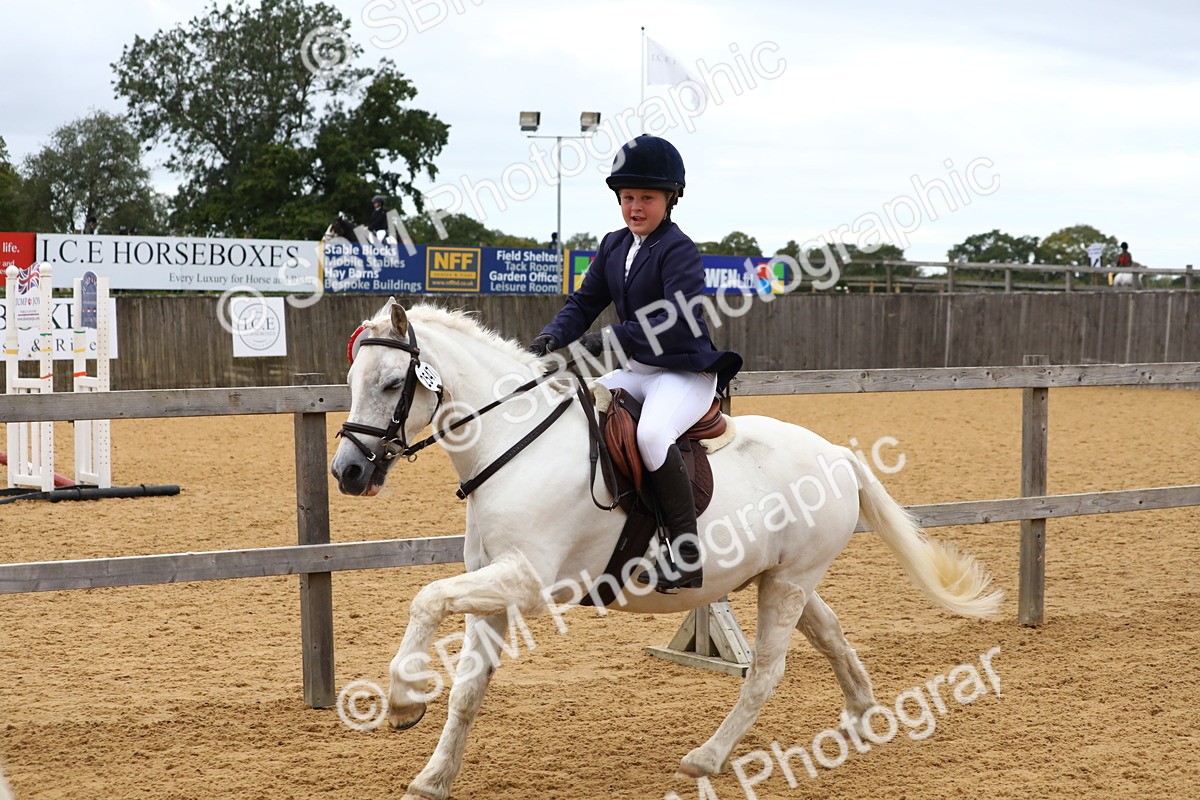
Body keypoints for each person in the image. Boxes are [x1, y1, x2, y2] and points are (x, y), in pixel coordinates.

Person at [528, 134, 742, 593]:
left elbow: (670, 316)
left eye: (647, 197)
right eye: (628, 197)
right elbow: (584, 303)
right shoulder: (612, 246)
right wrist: (549, 337)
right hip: (642, 371)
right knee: (574, 406)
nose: (636, 207)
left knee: (650, 434)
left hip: (684, 372)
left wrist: (607, 338)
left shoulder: (678, 248)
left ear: (670, 199)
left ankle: (686, 555)